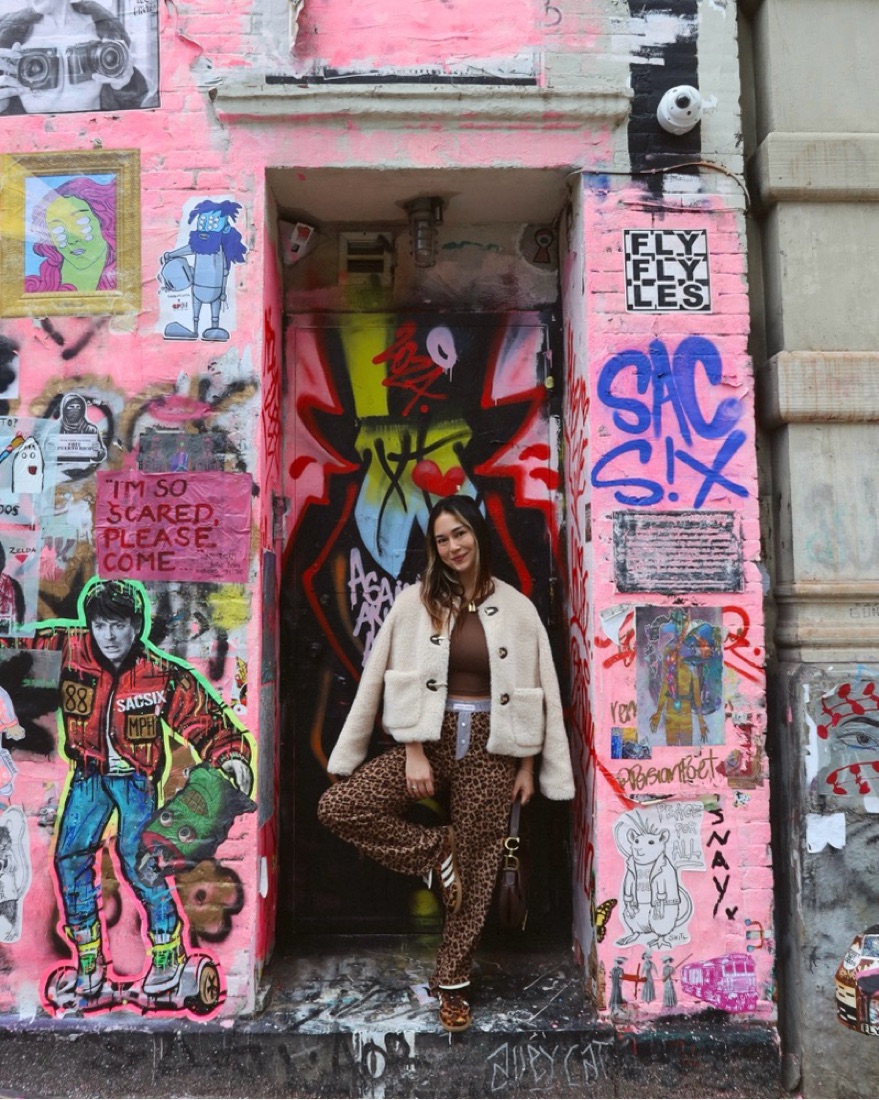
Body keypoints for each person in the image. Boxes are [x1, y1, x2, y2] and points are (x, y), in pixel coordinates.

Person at [318, 494, 575, 1032]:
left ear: (477, 534)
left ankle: (452, 985)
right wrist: (411, 748)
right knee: (339, 807)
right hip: (429, 740)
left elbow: (538, 690)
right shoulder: (416, 603)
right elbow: (382, 676)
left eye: (460, 533)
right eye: (442, 539)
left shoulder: (518, 608)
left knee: (478, 872)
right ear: (433, 548)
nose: (453, 546)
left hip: (492, 746)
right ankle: (437, 852)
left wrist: (529, 768)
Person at [21, 578, 253, 1000]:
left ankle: (167, 954)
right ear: (90, 626)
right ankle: (89, 962)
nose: (109, 636)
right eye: (101, 626)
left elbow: (200, 715)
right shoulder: (69, 649)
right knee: (69, 859)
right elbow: (17, 649)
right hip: (89, 777)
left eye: (119, 626)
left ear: (136, 626)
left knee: (140, 861)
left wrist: (230, 754)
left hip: (134, 781)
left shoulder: (157, 672)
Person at [0, 0, 149, 116]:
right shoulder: (9, 39)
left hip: (95, 137)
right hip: (35, 140)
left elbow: (134, 106)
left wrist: (124, 85)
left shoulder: (102, 30)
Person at [26, 177, 116, 293]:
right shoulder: (36, 288)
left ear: (103, 221)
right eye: (58, 228)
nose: (72, 240)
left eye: (80, 221)